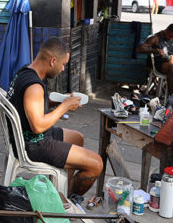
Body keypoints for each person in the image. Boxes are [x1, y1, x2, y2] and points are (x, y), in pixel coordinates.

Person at [7, 37, 103, 196]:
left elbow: (32, 104)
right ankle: (69, 199)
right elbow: (38, 127)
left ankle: (62, 192)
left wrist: (61, 100)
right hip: (34, 144)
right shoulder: (34, 87)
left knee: (77, 138)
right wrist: (64, 107)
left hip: (27, 137)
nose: (63, 69)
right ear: (53, 61)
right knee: (96, 164)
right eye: (63, 64)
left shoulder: (25, 72)